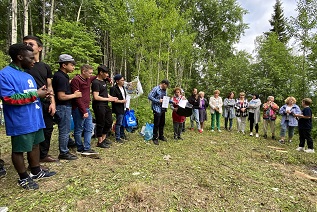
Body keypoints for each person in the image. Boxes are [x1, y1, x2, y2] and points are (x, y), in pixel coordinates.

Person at [0, 44, 56, 190]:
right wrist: (36, 94)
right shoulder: (5, 74)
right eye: (31, 58)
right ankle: (23, 178)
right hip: (20, 120)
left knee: (35, 145)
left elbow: (32, 96)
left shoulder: (28, 75)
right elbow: (8, 98)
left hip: (35, 118)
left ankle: (36, 171)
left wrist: (43, 96)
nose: (34, 61)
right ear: (20, 57)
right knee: (19, 150)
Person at [23, 35, 58, 163]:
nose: (27, 46)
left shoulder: (45, 67)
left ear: (40, 48)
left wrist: (53, 103)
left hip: (45, 103)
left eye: (30, 44)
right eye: (24, 43)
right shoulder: (22, 66)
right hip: (29, 103)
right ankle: (32, 161)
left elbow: (49, 86)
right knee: (33, 131)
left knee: (48, 129)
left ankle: (43, 155)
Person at [52, 54, 82, 160]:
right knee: (64, 130)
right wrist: (75, 95)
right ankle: (63, 152)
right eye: (72, 64)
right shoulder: (60, 77)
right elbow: (61, 96)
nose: (73, 67)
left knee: (65, 129)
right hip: (63, 107)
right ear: (64, 65)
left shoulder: (62, 76)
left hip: (64, 107)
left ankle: (67, 145)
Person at [70, 64, 98, 155]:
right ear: (83, 71)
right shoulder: (76, 80)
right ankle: (79, 147)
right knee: (79, 129)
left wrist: (108, 78)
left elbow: (95, 77)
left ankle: (87, 148)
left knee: (89, 128)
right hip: (78, 108)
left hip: (86, 108)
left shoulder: (88, 79)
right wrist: (83, 111)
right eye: (89, 73)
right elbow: (77, 98)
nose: (91, 74)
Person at [91, 65, 117, 148]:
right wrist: (108, 99)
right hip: (98, 105)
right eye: (106, 73)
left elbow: (105, 94)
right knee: (100, 123)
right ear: (100, 72)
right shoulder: (96, 82)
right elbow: (96, 96)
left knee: (109, 122)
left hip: (105, 105)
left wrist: (111, 97)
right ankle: (100, 141)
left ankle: (103, 138)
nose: (107, 75)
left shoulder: (104, 81)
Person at [148, 79, 170, 145]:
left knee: (162, 123)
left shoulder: (165, 90)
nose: (167, 87)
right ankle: (155, 138)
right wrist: (158, 101)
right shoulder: (156, 89)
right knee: (156, 124)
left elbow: (165, 98)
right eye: (166, 86)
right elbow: (149, 96)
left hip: (163, 109)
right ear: (163, 84)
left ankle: (161, 136)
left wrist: (172, 101)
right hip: (157, 109)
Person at [110, 74, 128, 143]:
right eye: (122, 80)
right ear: (117, 81)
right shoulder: (113, 89)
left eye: (123, 80)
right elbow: (112, 99)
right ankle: (117, 137)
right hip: (118, 107)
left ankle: (122, 134)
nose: (123, 81)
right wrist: (121, 101)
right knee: (119, 122)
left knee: (123, 122)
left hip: (123, 107)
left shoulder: (123, 88)